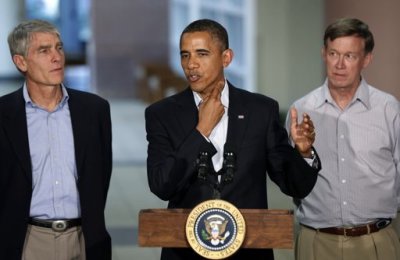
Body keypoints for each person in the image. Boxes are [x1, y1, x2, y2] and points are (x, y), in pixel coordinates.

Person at [145, 18, 321, 260]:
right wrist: (201, 131)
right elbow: (161, 184)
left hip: (248, 251)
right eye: (185, 55)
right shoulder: (161, 114)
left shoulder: (261, 110)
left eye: (202, 54)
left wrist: (301, 153)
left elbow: (295, 185)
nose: (191, 64)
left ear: (226, 58)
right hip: (185, 251)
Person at [286, 17, 400, 260]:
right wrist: (304, 154)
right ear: (324, 54)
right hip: (316, 242)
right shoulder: (301, 110)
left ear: (366, 59)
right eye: (333, 53)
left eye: (350, 56)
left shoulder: (389, 109)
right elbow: (292, 183)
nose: (339, 64)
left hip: (377, 242)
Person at [0, 20, 112, 259]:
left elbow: (101, 178)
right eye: (44, 50)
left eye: (59, 48)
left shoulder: (95, 110)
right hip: (25, 243)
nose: (57, 57)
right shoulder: (3, 115)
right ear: (20, 62)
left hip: (85, 241)